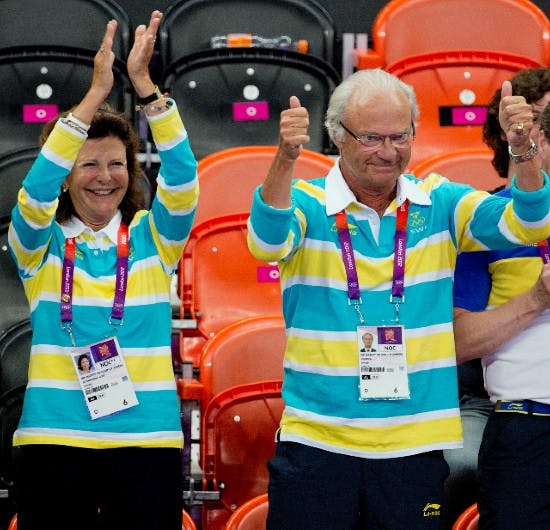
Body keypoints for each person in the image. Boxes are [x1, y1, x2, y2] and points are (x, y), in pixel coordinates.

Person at [246, 68, 550, 530]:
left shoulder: (442, 203)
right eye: (371, 137)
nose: (389, 152)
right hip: (318, 441)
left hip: (415, 446)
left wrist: (523, 150)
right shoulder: (305, 204)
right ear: (337, 136)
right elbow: (266, 244)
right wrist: (285, 160)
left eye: (400, 136)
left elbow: (527, 224)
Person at [8, 11, 198, 530]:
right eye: (87, 164)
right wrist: (92, 97)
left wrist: (145, 89)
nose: (104, 177)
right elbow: (34, 192)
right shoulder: (38, 244)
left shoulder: (152, 240)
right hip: (53, 441)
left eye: (116, 163)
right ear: (67, 178)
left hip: (146, 442)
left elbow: (183, 177)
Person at [444, 67, 550, 528]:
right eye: (533, 124)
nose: (538, 136)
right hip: (517, 414)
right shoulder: (484, 224)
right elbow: (455, 343)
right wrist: (537, 299)